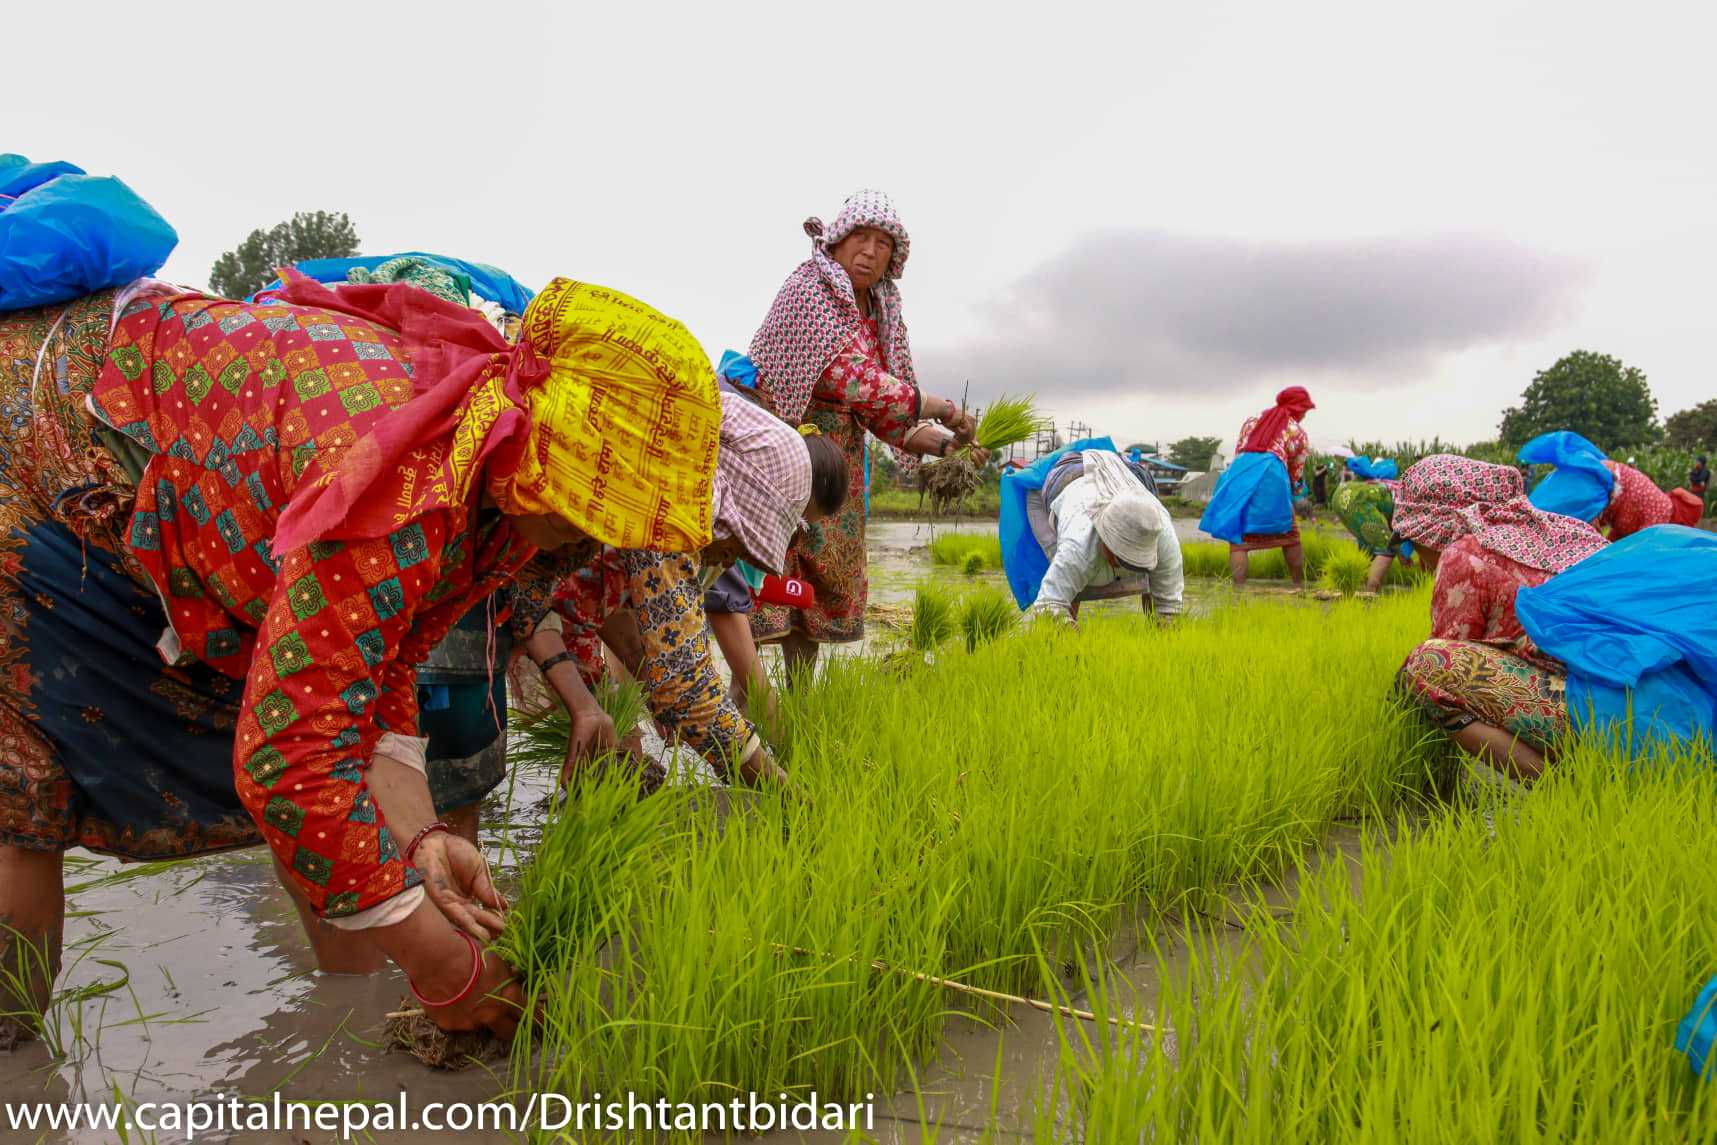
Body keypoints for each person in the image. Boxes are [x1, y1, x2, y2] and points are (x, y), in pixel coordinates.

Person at [0, 272, 723, 1044]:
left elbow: (382, 671)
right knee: (24, 779)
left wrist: (420, 837)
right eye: (597, 514)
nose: (598, 544)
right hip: (39, 455)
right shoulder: (398, 472)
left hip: (151, 481)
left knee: (310, 746)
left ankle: (344, 1010)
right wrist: (447, 971)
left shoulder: (483, 463)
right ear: (553, 461)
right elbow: (288, 762)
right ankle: (19, 1075)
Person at [549, 389, 846, 787]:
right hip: (501, 603)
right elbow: (688, 686)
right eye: (744, 543)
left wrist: (650, 677)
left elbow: (608, 603)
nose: (732, 559)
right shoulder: (675, 513)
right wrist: (785, 790)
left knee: (612, 758)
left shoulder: (664, 482)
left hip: (537, 613)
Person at [747, 189, 984, 679]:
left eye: (883, 244)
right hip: (782, 450)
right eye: (862, 236)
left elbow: (888, 415)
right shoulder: (809, 289)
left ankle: (799, 704)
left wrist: (950, 445)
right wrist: (939, 407)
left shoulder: (879, 312)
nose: (871, 251)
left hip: (838, 467)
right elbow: (849, 376)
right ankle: (743, 707)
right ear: (837, 240)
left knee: (815, 588)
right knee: (762, 579)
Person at [1391, 456, 1607, 780]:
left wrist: (1393, 708)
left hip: (1583, 709)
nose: (1420, 561)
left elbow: (1449, 658)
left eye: (1413, 540)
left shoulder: (1467, 553)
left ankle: (1569, 789)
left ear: (1436, 523)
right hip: (1635, 703)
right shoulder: (1571, 530)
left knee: (1427, 666)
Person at [1023, 449, 1184, 623]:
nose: (1124, 566)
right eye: (1122, 558)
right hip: (1068, 476)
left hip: (1126, 474)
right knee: (1069, 583)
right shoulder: (1078, 543)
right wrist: (1067, 633)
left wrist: (1165, 630)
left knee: (1154, 588)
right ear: (1105, 539)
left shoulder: (1161, 532)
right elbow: (1048, 604)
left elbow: (1170, 608)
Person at [1197, 387, 1316, 586]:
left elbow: (1239, 451)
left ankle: (1238, 593)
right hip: (1271, 475)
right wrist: (1293, 491)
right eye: (1304, 410)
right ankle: (1298, 587)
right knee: (1291, 535)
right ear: (1297, 408)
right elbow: (1295, 470)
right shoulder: (1297, 432)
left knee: (1239, 540)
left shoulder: (1252, 421)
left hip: (1240, 473)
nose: (1304, 414)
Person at [1328, 456, 1405, 593]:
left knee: (1368, 544)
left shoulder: (1384, 485)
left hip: (1340, 494)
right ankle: (1371, 592)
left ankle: (1362, 588)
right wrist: (1403, 556)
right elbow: (1399, 534)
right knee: (1387, 548)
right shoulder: (1409, 503)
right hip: (1359, 500)